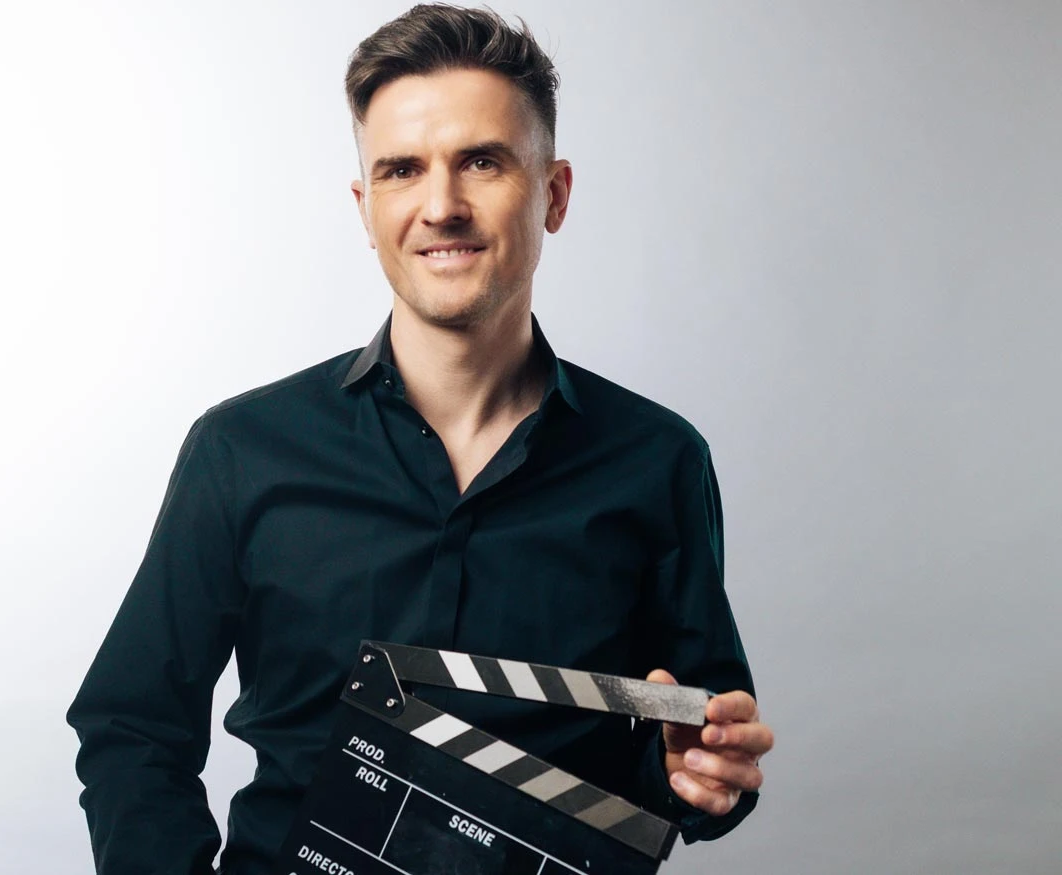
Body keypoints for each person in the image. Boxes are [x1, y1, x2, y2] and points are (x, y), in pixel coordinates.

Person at [66, 5, 775, 874]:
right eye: (402, 170)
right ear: (366, 209)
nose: (442, 206)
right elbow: (131, 727)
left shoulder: (658, 461)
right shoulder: (241, 452)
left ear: (553, 194)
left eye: (482, 161)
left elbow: (699, 755)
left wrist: (698, 776)